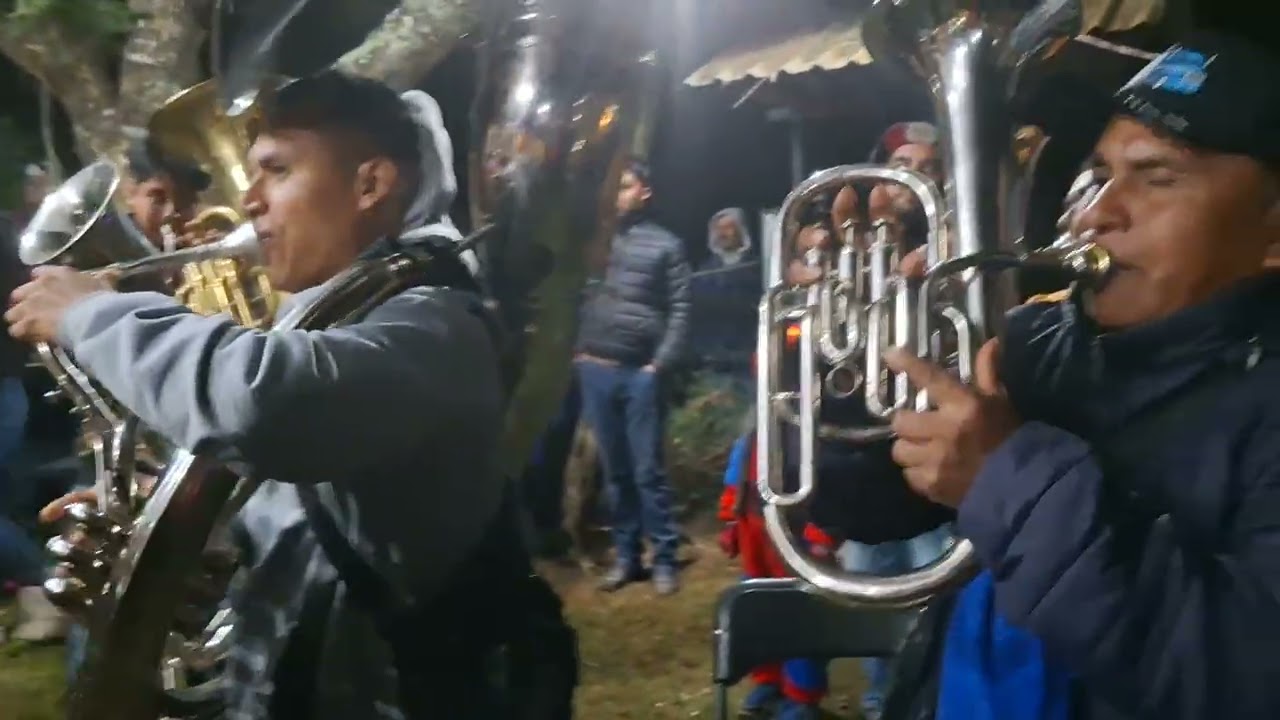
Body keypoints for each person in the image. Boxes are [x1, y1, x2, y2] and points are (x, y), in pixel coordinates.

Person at [14, 71, 575, 720]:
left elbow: (267, 403)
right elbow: (298, 520)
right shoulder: (334, 325)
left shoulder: (436, 325)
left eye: (276, 170)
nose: (249, 200)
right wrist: (174, 538)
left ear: (371, 183)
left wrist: (92, 316)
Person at [881, 31, 1280, 719]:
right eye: (1100, 175)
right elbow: (879, 512)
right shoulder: (1033, 342)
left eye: (1157, 178)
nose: (1095, 214)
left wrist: (1008, 479)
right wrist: (858, 406)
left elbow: (1241, 677)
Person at [574, 158, 691, 594]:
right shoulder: (595, 242)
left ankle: (664, 559)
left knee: (647, 471)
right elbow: (571, 291)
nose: (617, 194)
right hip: (595, 370)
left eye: (625, 186)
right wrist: (577, 352)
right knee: (614, 472)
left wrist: (658, 364)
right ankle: (627, 559)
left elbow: (681, 309)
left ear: (644, 191)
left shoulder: (666, 246)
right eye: (613, 187)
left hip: (639, 373)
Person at [690, 207, 759, 381]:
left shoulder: (757, 267)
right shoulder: (704, 271)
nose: (723, 233)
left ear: (741, 230)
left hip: (746, 358)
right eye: (718, 228)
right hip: (712, 358)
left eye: (728, 227)